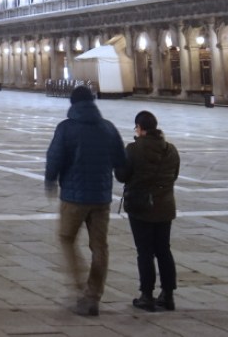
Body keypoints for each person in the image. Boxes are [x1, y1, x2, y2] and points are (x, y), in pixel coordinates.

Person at [44, 85, 126, 317]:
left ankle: (79, 286)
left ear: (72, 103)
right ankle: (94, 295)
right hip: (101, 197)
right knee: (100, 247)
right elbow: (121, 162)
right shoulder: (108, 128)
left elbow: (55, 157)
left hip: (74, 197)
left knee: (66, 238)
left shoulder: (66, 128)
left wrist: (50, 179)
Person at [115, 110, 180, 312]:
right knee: (163, 250)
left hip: (141, 206)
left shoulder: (134, 149)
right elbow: (174, 175)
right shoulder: (171, 149)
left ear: (140, 128)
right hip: (165, 207)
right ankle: (168, 295)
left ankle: (146, 295)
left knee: (145, 252)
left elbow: (122, 175)